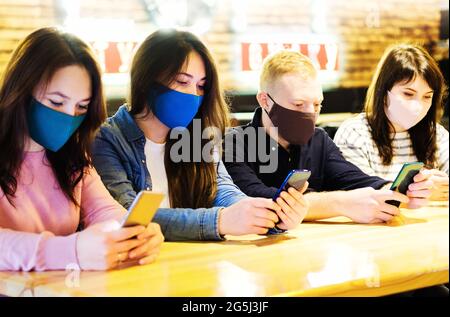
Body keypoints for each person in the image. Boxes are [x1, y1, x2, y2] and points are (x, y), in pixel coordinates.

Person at [92, 29, 309, 240]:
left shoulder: (199, 137)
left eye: (201, 86)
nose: (193, 95)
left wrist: (265, 216)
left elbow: (221, 189)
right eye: (182, 81)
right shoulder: (108, 139)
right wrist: (220, 221)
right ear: (146, 79)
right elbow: (127, 216)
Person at [0, 27, 163, 272]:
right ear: (21, 90)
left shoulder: (72, 155)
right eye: (56, 102)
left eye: (81, 107)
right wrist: (72, 251)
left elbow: (102, 209)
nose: (69, 116)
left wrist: (132, 233)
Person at [223, 50, 434, 224]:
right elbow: (252, 199)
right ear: (265, 101)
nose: (310, 113)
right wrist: (339, 203)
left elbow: (353, 179)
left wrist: (398, 191)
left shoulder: (319, 140)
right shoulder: (234, 143)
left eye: (317, 104)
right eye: (298, 104)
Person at [334, 44, 448, 201]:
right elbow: (362, 195)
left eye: (427, 96)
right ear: (384, 91)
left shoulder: (436, 133)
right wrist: (420, 192)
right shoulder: (355, 133)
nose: (418, 105)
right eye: (408, 94)